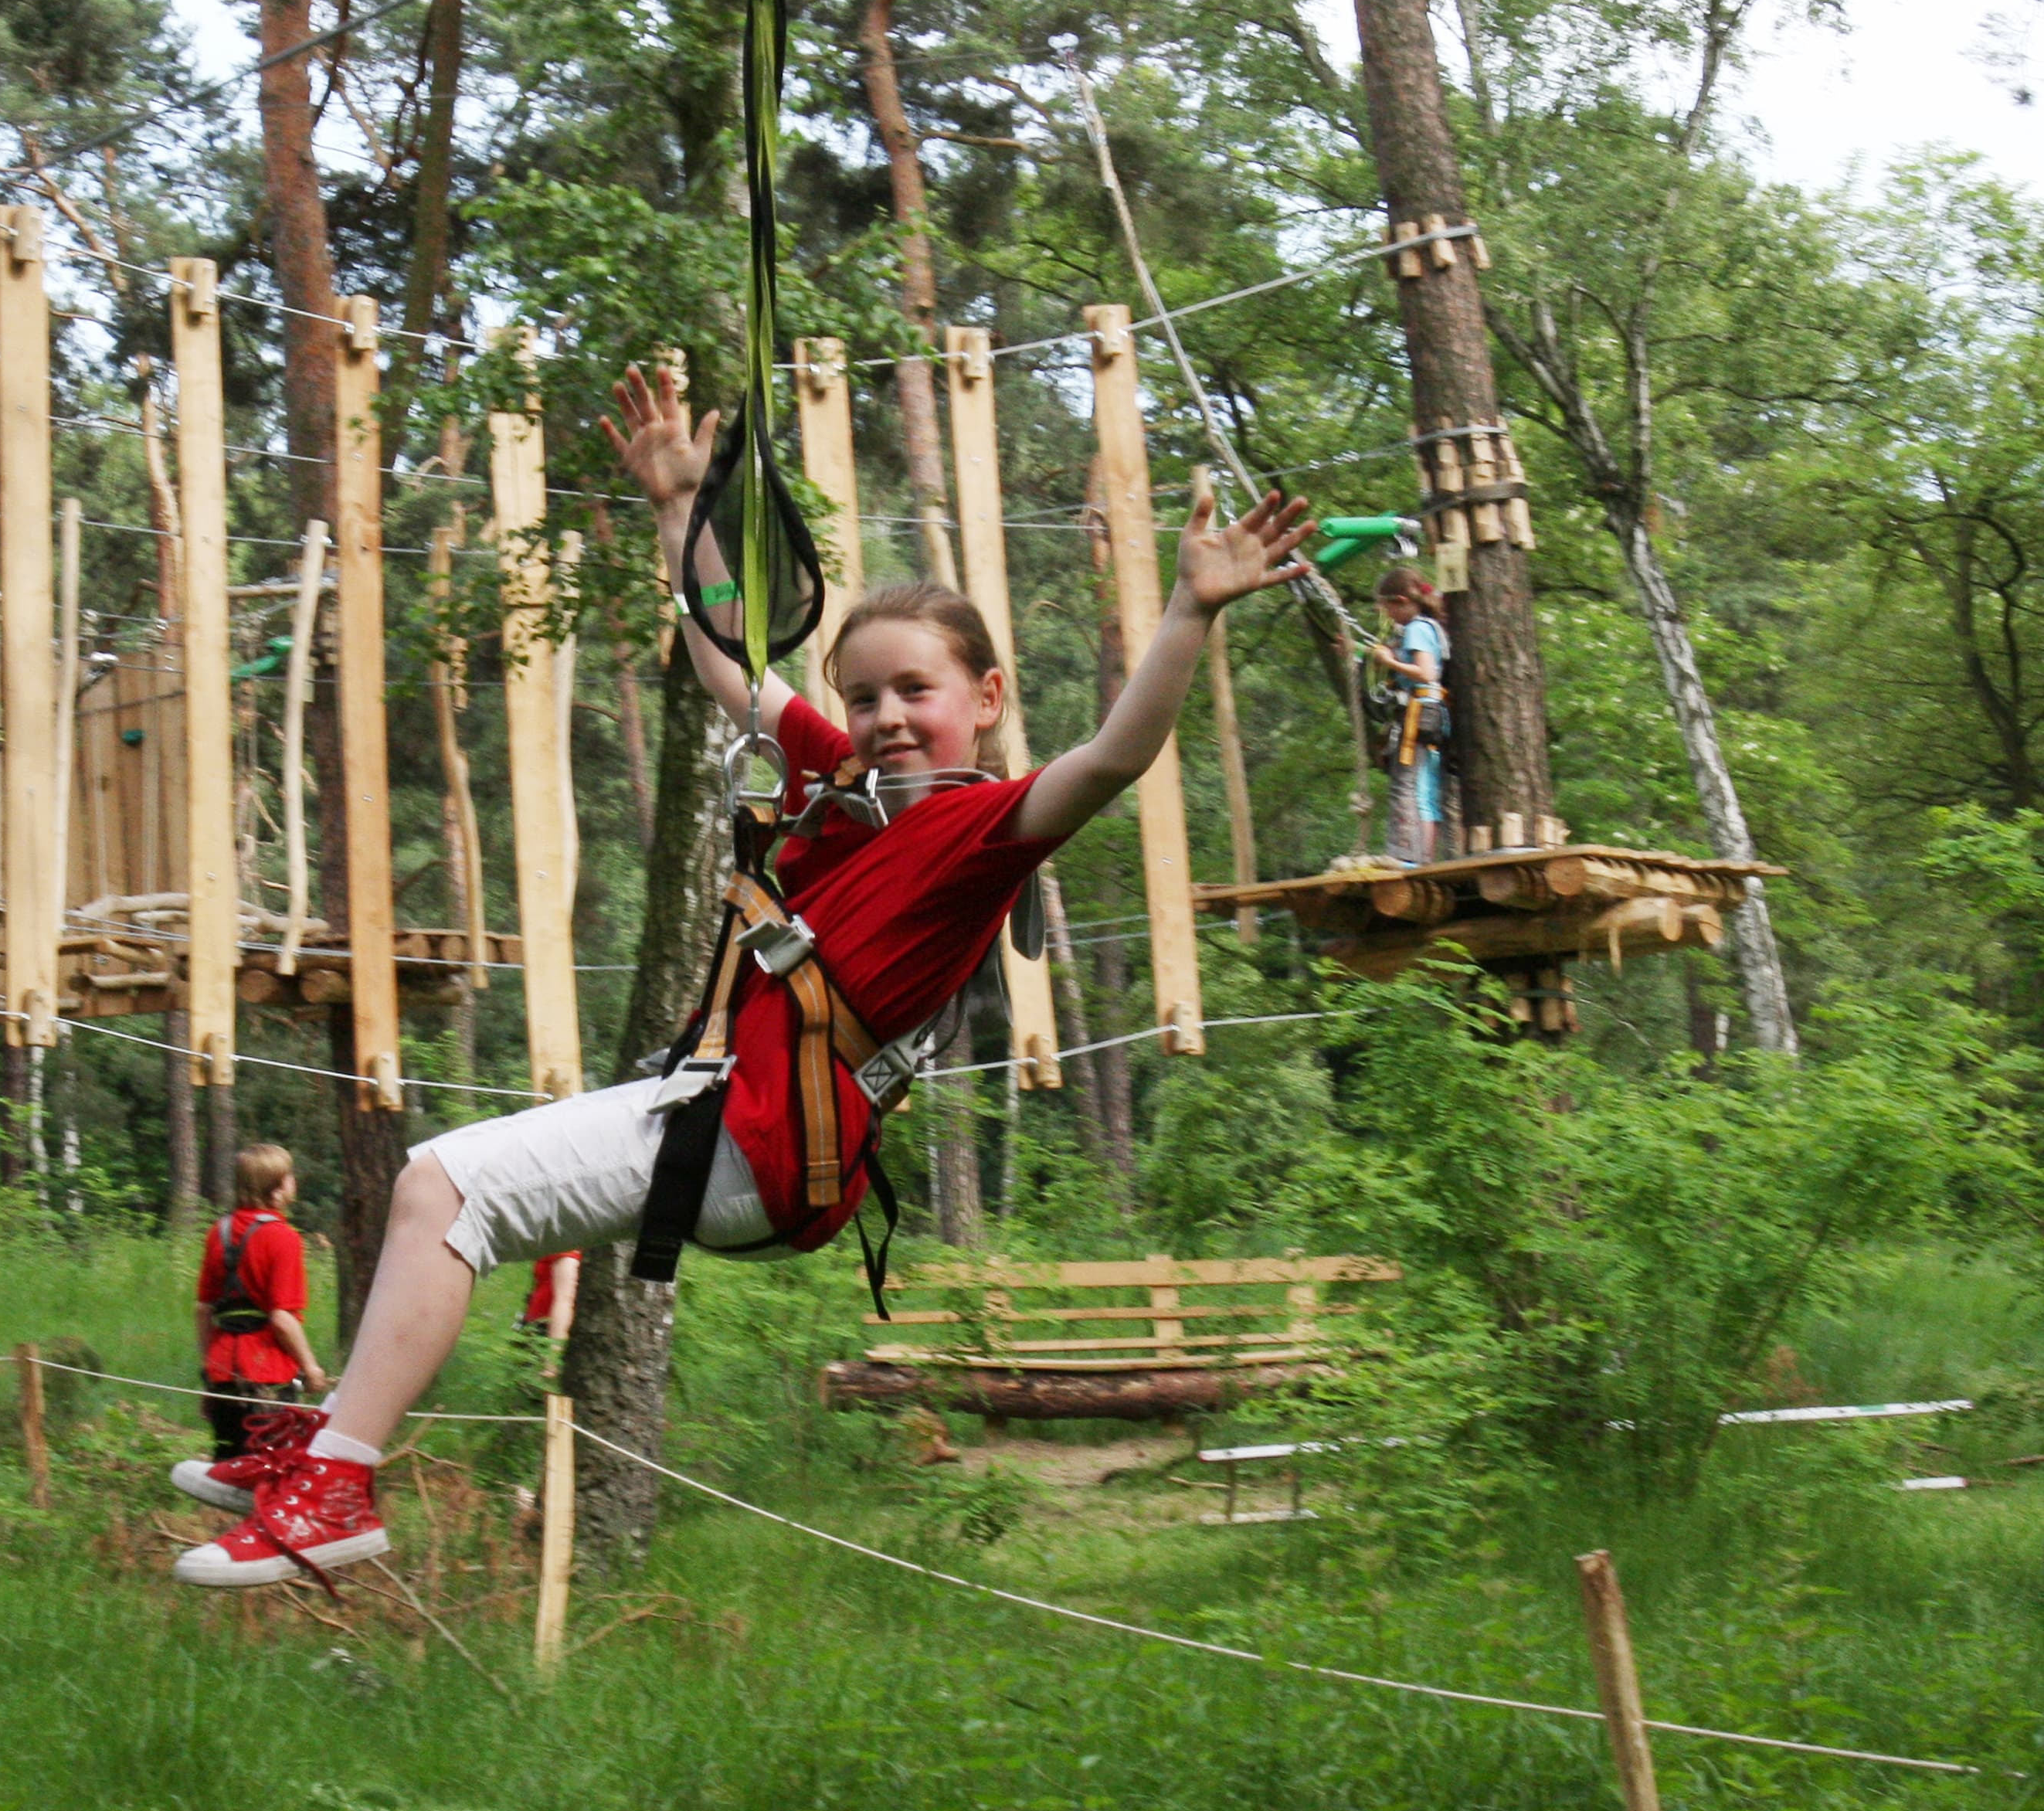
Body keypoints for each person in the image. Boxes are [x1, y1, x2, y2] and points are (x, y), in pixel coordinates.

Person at [164, 363, 1312, 1588]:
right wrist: (677, 508)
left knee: (445, 1188)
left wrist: (1190, 613)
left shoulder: (983, 836)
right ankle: (327, 1450)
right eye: (862, 695)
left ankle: (336, 1481)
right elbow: (728, 668)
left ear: (983, 700)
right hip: (728, 1126)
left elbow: (1115, 756)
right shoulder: (846, 792)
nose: (885, 717)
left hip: (758, 1147)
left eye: (916, 692)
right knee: (440, 1193)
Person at [170, 1143, 333, 1516]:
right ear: (275, 1189)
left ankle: (225, 1540)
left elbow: (203, 1308)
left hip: (224, 1370)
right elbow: (281, 1318)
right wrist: (311, 1368)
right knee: (273, 1476)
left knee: (226, 1475)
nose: (295, 1183)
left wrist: (208, 1367)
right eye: (289, 1177)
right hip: (268, 1374)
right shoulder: (283, 1238)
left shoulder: (219, 1232)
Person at [1369, 569, 1449, 866]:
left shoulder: (1416, 628)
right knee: (1425, 787)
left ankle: (1406, 855)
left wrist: (1390, 662)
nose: (1388, 615)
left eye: (1388, 608)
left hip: (1419, 712)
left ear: (1401, 600)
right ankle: (1423, 856)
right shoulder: (1431, 625)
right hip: (1434, 712)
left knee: (1407, 784)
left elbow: (1426, 673)